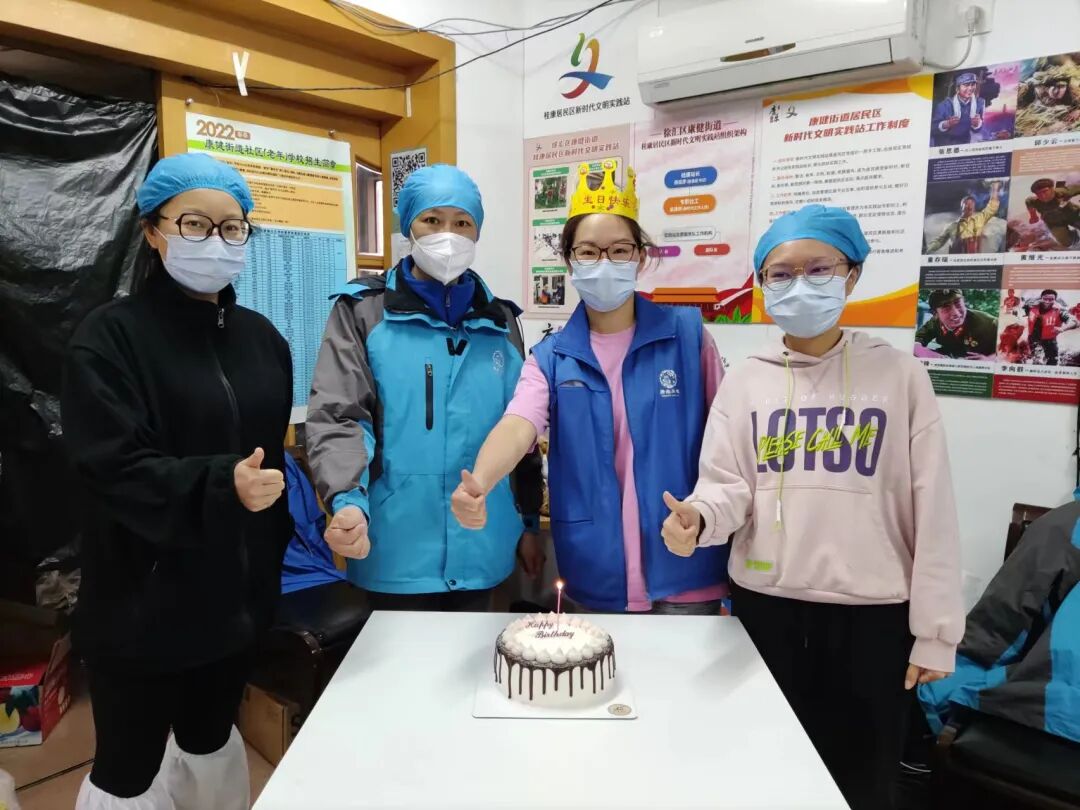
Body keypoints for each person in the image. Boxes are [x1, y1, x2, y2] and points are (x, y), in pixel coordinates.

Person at [660, 204, 963, 810]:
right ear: (763, 284)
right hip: (767, 611)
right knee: (763, 770)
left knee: (860, 780)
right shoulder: (747, 381)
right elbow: (726, 484)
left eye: (818, 268)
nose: (799, 284)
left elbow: (933, 508)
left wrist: (936, 635)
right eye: (781, 273)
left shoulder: (900, 377)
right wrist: (699, 517)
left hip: (875, 619)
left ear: (851, 276)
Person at [62, 153, 294, 809]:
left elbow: (270, 463)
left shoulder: (262, 341)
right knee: (127, 771)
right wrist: (222, 485)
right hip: (141, 606)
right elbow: (112, 465)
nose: (216, 241)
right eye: (195, 224)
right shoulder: (109, 338)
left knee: (209, 740)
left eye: (233, 227)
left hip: (233, 602)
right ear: (153, 230)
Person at [451, 161, 728, 614]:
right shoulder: (552, 357)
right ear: (569, 260)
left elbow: (728, 443)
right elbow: (518, 425)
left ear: (640, 257)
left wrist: (712, 514)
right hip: (598, 571)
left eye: (619, 250)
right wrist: (480, 482)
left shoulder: (688, 338)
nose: (604, 263)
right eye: (588, 251)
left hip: (685, 562)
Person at [306, 164, 542, 611]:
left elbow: (522, 430)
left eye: (462, 223)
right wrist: (347, 501)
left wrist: (529, 523)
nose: (447, 234)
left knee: (475, 658)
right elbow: (340, 416)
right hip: (393, 548)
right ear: (408, 227)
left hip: (484, 544)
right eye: (432, 220)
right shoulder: (364, 312)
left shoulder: (500, 322)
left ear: (477, 231)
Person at [914, 289, 998, 360]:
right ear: (935, 314)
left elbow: (1005, 348)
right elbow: (916, 340)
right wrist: (925, 352)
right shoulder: (934, 322)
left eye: (958, 304)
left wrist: (990, 359)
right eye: (946, 308)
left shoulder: (989, 323)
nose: (956, 313)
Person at [925, 182, 1002, 254]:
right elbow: (939, 241)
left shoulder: (979, 219)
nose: (970, 206)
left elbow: (992, 207)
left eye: (972, 204)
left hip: (974, 259)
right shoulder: (953, 226)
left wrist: (995, 189)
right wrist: (926, 250)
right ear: (962, 207)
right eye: (967, 204)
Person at [1025, 288, 1078, 365]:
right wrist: (1037, 299)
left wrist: (1063, 328)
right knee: (1037, 361)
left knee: (1053, 362)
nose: (1047, 301)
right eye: (1045, 299)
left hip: (1050, 342)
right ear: (1041, 298)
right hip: (1033, 340)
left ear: (1055, 300)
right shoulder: (1031, 307)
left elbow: (1074, 322)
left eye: (1051, 299)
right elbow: (1022, 302)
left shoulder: (1060, 311)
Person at [932, 72, 985, 146]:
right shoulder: (945, 105)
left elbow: (979, 128)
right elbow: (933, 128)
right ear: (957, 88)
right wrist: (947, 123)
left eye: (973, 84)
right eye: (966, 85)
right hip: (944, 144)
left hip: (964, 144)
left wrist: (977, 124)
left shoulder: (979, 103)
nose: (970, 88)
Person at [1025, 178, 1080, 249]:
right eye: (1038, 193)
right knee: (1067, 243)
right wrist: (1033, 216)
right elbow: (1028, 202)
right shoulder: (1034, 201)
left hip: (1073, 215)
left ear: (1052, 189)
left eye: (1045, 191)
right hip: (1054, 222)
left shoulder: (1063, 192)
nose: (1043, 196)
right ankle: (1075, 237)